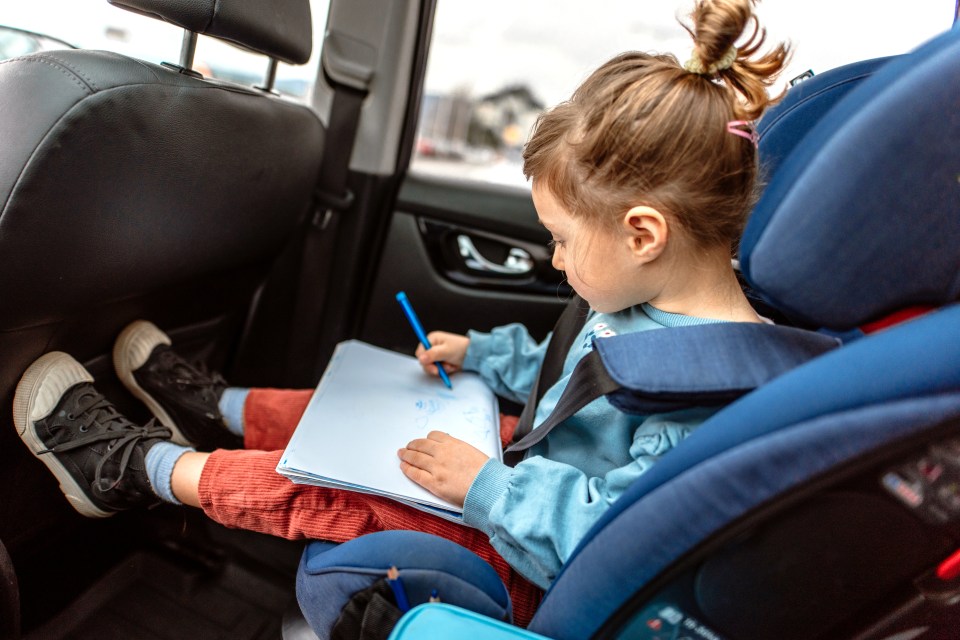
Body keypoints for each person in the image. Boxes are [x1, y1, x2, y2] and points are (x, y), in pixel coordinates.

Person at [12, 0, 789, 627]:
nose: (554, 261)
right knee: (365, 407)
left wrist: (485, 486)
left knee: (352, 484)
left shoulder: (705, 392)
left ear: (644, 232)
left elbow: (616, 542)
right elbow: (576, 372)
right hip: (526, 477)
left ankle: (134, 470)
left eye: (558, 240)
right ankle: (212, 403)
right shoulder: (647, 301)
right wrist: (482, 355)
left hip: (534, 564)